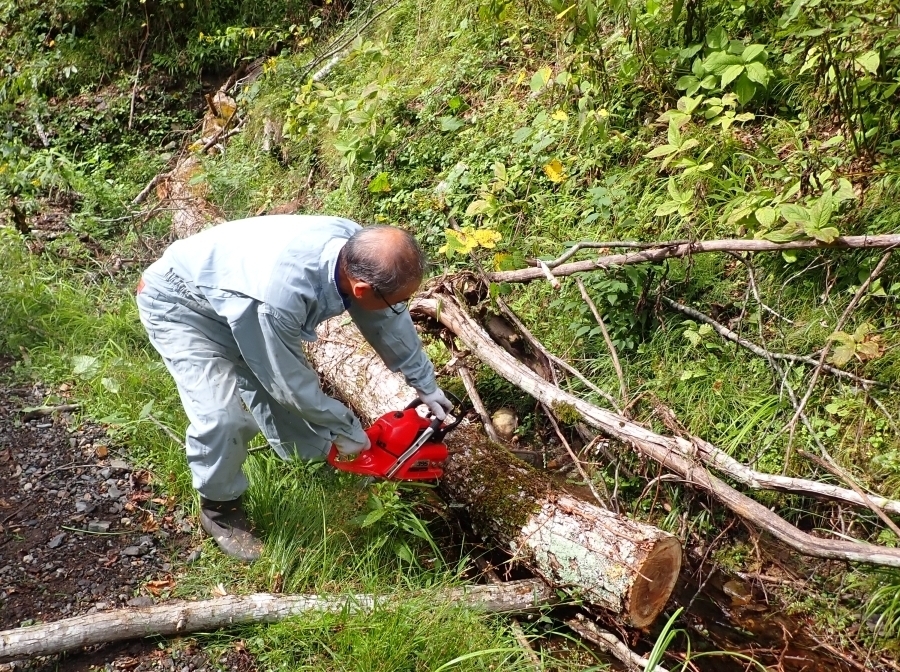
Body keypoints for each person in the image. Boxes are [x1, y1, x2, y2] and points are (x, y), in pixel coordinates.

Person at [135, 215, 452, 561]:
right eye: (395, 300)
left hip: (236, 297)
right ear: (361, 289)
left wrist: (425, 384)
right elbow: (288, 385)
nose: (396, 307)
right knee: (224, 419)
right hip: (181, 305)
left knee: (284, 398)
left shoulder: (360, 248)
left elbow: (388, 319)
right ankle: (219, 509)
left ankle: (311, 464)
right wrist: (347, 429)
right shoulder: (279, 296)